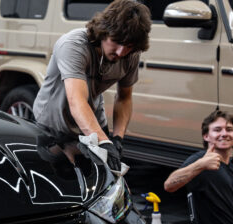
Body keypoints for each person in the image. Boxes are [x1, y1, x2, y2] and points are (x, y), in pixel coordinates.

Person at [33, 0, 151, 171]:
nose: (120, 52)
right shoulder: (74, 45)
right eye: (116, 41)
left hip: (91, 124)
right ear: (104, 31)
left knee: (97, 185)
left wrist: (117, 138)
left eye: (129, 46)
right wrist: (103, 141)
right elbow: (77, 100)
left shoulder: (130, 55)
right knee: (56, 183)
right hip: (54, 126)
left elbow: (124, 98)